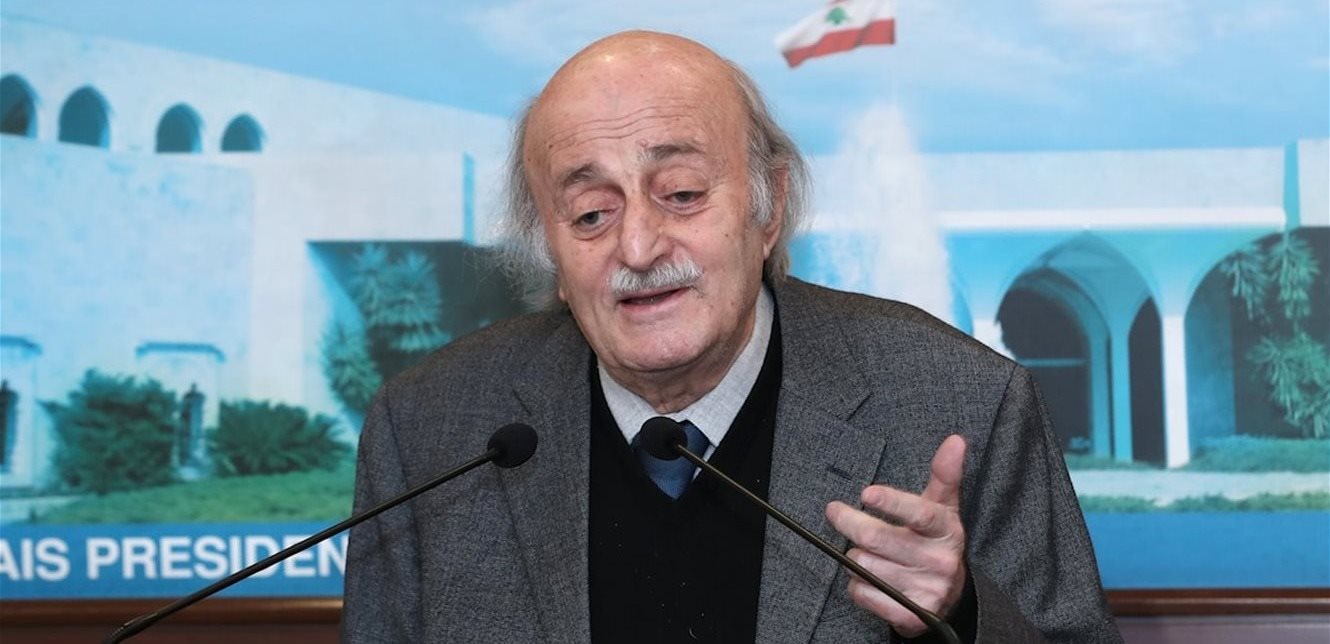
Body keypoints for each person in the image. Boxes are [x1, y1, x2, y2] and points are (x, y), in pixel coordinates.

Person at [342, 31, 1121, 643]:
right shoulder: (430, 430)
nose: (638, 248)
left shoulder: (963, 402)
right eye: (590, 214)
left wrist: (960, 611)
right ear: (551, 250)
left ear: (767, 207)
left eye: (681, 194)